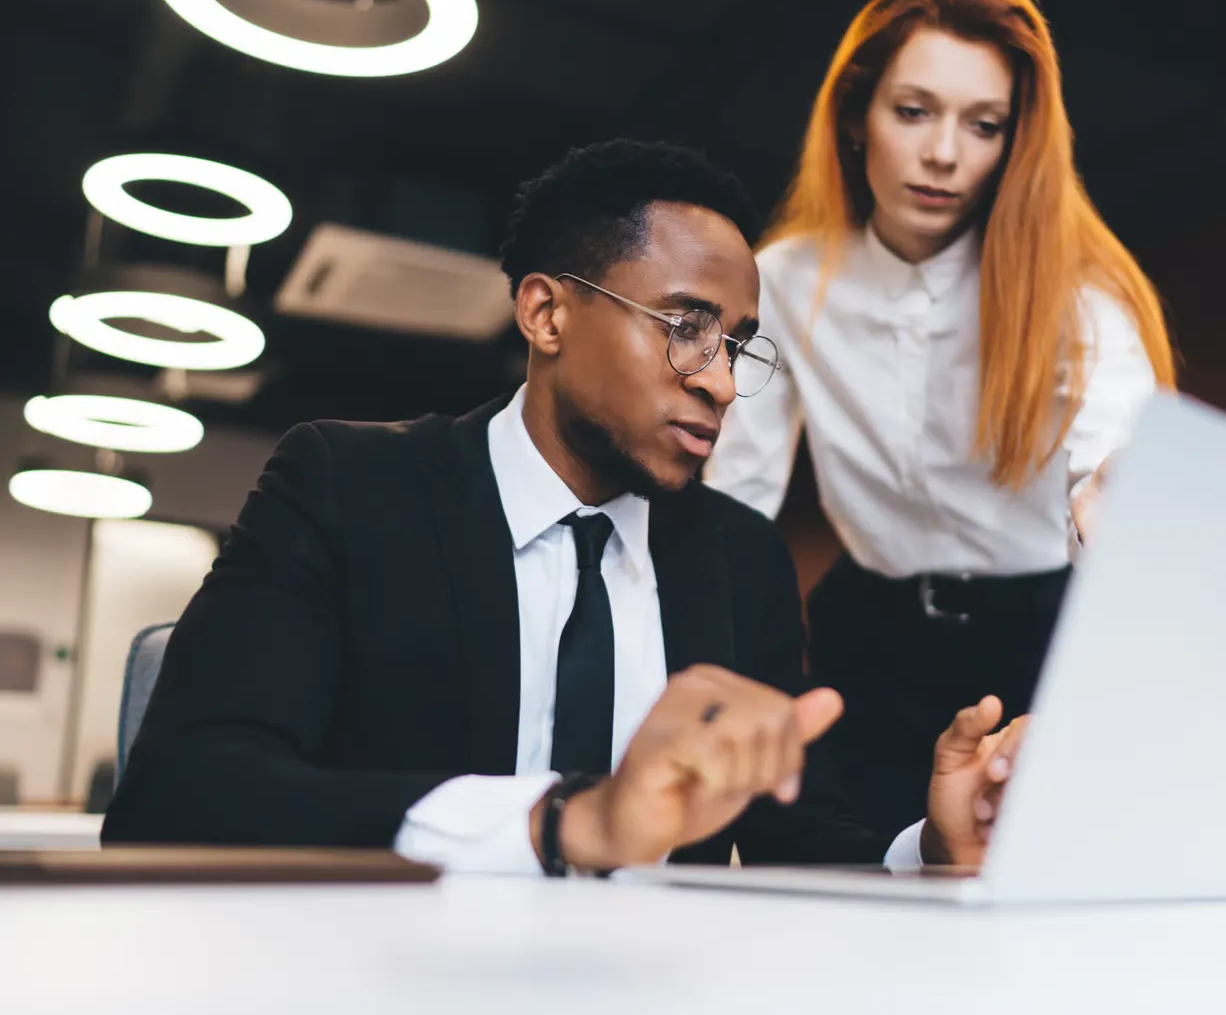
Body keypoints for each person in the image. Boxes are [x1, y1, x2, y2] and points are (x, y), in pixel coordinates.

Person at [102, 139, 1021, 875]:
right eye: (687, 328)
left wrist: (928, 847)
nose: (720, 382)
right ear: (546, 314)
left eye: (737, 346)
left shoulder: (740, 557)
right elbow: (177, 799)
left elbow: (798, 838)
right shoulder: (346, 486)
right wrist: (561, 822)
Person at [703, 0, 1177, 832]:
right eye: (914, 111)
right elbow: (735, 499)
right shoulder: (786, 278)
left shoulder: (1075, 295)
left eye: (983, 124)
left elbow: (1116, 473)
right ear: (856, 115)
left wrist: (1126, 520)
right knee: (845, 873)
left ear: (1014, 141)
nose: (944, 154)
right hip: (866, 636)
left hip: (1039, 636)